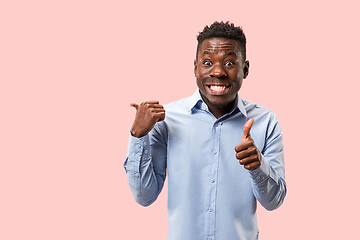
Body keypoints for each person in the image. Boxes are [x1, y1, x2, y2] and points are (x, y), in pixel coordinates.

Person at [124, 21, 286, 240]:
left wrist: (258, 166)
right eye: (208, 62)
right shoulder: (165, 119)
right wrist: (138, 136)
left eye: (229, 63)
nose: (217, 72)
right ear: (195, 67)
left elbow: (273, 202)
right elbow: (144, 196)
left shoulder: (266, 122)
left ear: (245, 69)